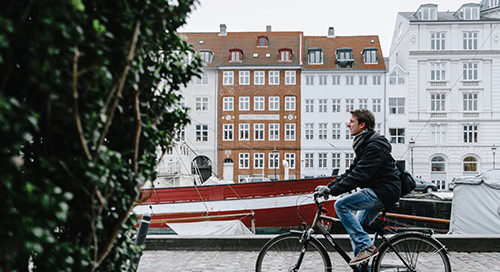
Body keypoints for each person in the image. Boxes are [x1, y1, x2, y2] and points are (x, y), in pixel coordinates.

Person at [315, 109, 401, 266]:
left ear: (362, 125)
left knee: (341, 205)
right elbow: (351, 172)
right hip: (379, 190)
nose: (348, 124)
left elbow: (359, 175)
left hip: (383, 191)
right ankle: (363, 265)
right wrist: (329, 187)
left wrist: (333, 191)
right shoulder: (365, 143)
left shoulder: (374, 146)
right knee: (357, 229)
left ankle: (367, 247)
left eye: (352, 121)